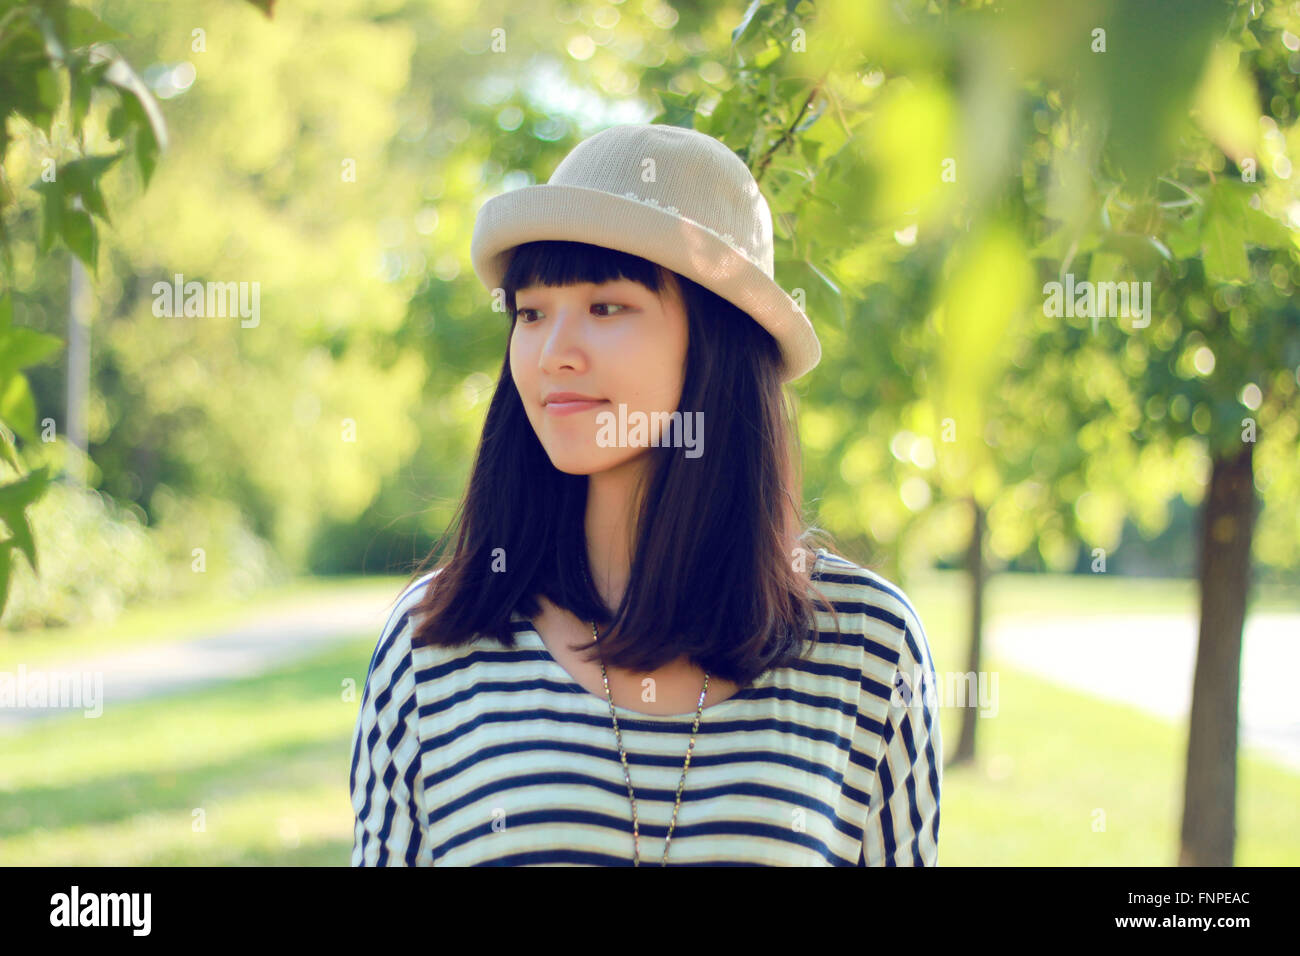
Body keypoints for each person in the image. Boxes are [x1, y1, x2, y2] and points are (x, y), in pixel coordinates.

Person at [349, 123, 941, 866]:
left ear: (717, 343)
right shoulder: (433, 648)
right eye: (530, 312)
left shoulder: (869, 651)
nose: (552, 353)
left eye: (605, 306)